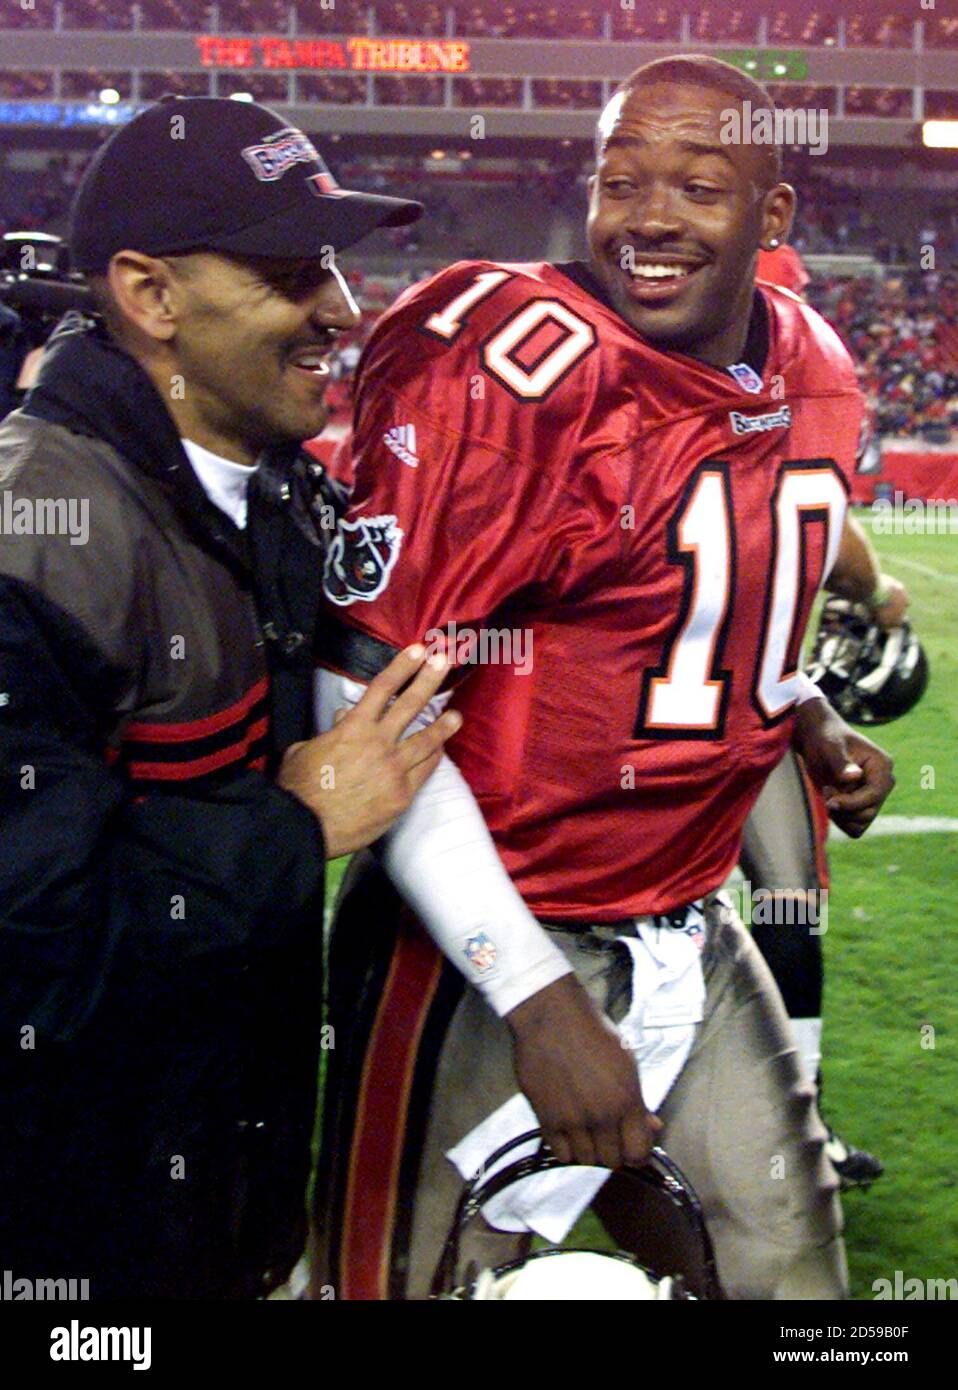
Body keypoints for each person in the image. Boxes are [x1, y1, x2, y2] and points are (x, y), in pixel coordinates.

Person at [312, 57, 896, 1300]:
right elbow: (359, 698)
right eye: (620, 180)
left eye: (698, 184)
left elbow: (703, 598)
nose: (650, 217)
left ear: (773, 220)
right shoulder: (507, 365)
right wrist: (531, 997)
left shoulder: (813, 366)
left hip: (690, 916)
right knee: (398, 1288)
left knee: (797, 1291)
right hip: (485, 943)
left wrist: (801, 710)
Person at [0, 96, 462, 1300]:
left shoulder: (277, 494)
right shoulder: (32, 539)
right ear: (150, 297)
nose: (341, 311)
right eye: (286, 269)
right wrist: (296, 827)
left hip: (224, 1190)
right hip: (67, 1240)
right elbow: (27, 946)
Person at [741, 515, 910, 1188]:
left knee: (786, 906)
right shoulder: (784, 420)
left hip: (624, 705)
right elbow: (834, 535)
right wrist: (874, 592)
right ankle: (797, 1129)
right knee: (787, 902)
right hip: (734, 704)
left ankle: (798, 1124)